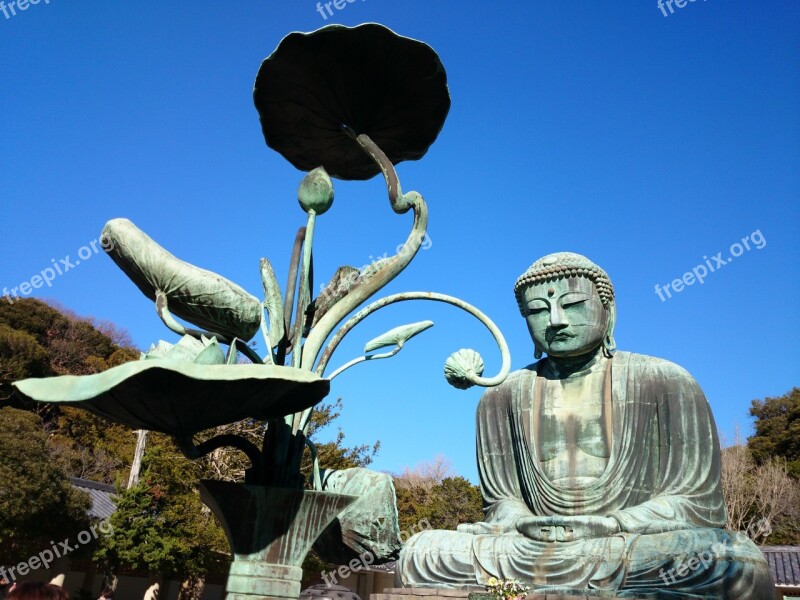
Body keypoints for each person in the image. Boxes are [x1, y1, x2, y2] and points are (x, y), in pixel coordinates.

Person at [395, 252, 774, 599]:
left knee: (730, 560)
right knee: (422, 552)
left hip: (626, 543)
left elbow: (698, 504)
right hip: (529, 547)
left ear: (608, 311)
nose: (556, 320)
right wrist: (525, 523)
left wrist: (610, 525)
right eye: (538, 311)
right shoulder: (501, 396)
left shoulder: (665, 381)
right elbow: (501, 502)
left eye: (573, 304)